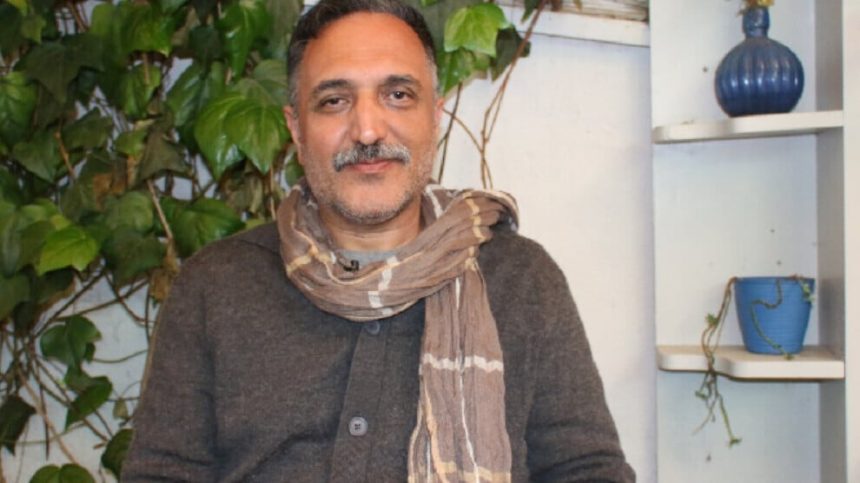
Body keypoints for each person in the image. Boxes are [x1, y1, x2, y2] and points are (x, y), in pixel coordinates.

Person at [122, 0, 635, 481]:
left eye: (398, 95)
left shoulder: (521, 280)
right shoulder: (217, 286)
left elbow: (587, 471)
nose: (367, 130)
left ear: (434, 117)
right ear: (295, 129)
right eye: (334, 101)